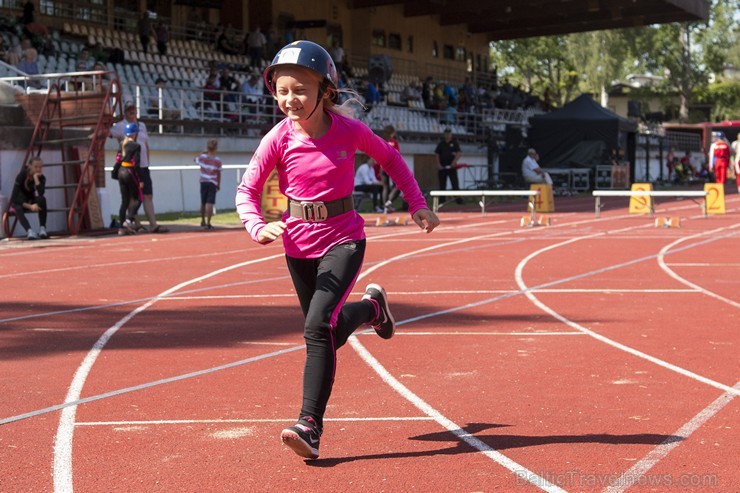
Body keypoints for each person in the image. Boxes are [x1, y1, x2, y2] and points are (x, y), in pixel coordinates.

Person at [235, 40, 439, 460]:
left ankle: (309, 425)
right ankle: (371, 310)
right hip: (297, 247)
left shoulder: (350, 132)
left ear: (325, 92)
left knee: (315, 329)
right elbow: (246, 190)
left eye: (300, 90)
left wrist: (417, 204)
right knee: (327, 331)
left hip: (344, 239)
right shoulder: (277, 138)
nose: (290, 99)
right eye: (282, 90)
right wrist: (256, 226)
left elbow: (392, 161)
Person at [110, 101, 168, 233]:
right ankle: (135, 223)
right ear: (125, 112)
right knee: (132, 197)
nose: (132, 113)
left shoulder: (141, 125)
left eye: (134, 110)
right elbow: (109, 133)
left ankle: (153, 224)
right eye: (129, 111)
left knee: (147, 195)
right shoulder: (121, 126)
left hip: (143, 166)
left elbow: (146, 144)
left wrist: (147, 161)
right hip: (130, 167)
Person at [10, 156, 48, 240]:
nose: (38, 169)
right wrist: (30, 206)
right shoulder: (22, 175)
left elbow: (41, 193)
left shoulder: (42, 178)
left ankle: (42, 228)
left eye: (40, 167)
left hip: (30, 200)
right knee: (17, 207)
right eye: (35, 167)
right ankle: (29, 231)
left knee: (42, 199)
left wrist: (35, 178)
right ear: (30, 166)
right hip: (20, 202)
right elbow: (13, 197)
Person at [116, 123, 143, 235]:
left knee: (124, 201)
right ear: (135, 134)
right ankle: (128, 221)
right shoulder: (136, 146)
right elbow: (136, 164)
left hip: (121, 171)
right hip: (129, 172)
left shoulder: (122, 144)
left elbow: (118, 159)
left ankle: (122, 227)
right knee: (138, 198)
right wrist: (140, 179)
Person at [196, 139, 221, 229]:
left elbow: (195, 159)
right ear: (216, 148)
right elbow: (218, 173)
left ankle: (202, 220)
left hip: (203, 181)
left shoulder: (202, 158)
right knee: (210, 202)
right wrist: (218, 184)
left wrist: (203, 152)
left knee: (203, 202)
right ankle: (208, 222)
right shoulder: (217, 161)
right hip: (212, 182)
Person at [434, 128, 462, 193]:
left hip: (451, 166)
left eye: (449, 134)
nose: (447, 135)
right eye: (446, 134)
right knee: (442, 184)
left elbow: (459, 153)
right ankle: (442, 199)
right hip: (443, 166)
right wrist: (438, 164)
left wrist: (454, 161)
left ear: (451, 135)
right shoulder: (441, 144)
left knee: (455, 183)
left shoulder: (454, 143)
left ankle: (458, 199)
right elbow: (437, 153)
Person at [381, 125, 402, 212]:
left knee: (385, 187)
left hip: (383, 165)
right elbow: (397, 155)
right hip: (392, 166)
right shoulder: (394, 142)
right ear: (392, 133)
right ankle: (388, 203)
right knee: (398, 185)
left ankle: (385, 207)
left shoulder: (381, 141)